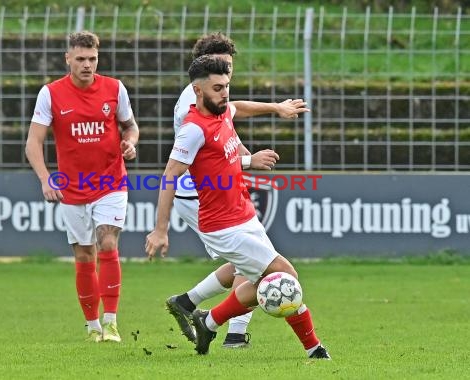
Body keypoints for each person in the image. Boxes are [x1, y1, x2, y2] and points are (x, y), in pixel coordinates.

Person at [146, 55, 330, 359]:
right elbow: (169, 176)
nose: (224, 93)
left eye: (227, 86)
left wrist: (276, 109)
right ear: (198, 91)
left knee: (261, 281)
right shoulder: (193, 129)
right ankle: (314, 349)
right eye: (217, 88)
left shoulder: (221, 111)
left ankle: (209, 320)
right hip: (223, 227)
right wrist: (160, 229)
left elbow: (237, 108)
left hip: (244, 215)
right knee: (286, 275)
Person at [25, 31, 139, 343]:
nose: (87, 65)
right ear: (68, 59)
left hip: (110, 181)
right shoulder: (51, 94)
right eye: (80, 59)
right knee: (84, 255)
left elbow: (130, 126)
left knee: (107, 243)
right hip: (72, 189)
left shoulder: (114, 89)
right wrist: (46, 178)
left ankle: (111, 322)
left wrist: (129, 142)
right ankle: (92, 326)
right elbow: (33, 143)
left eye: (92, 59)